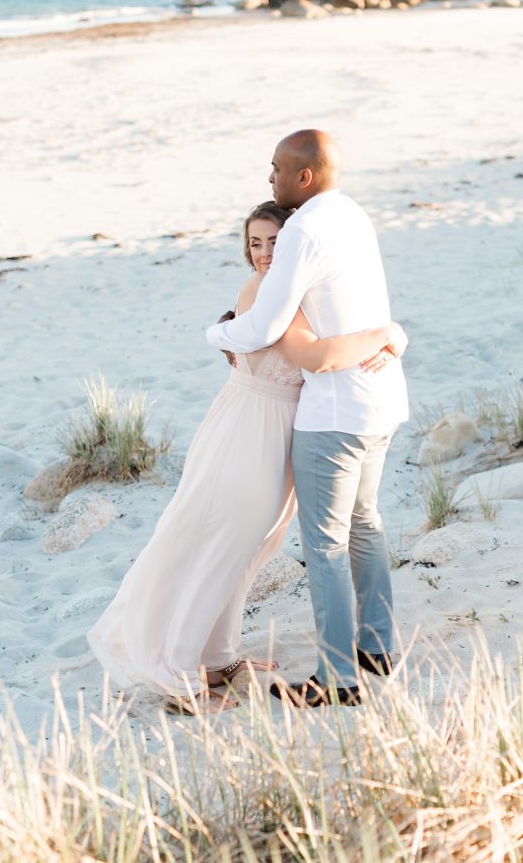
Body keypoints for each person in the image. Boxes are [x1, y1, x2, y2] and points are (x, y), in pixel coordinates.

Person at [88, 200, 405, 715]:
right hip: (247, 428)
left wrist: (395, 333)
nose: (263, 254)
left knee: (248, 549)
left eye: (274, 243)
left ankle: (218, 657)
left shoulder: (300, 291)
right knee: (222, 548)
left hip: (279, 431)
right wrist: (389, 334)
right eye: (255, 243)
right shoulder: (266, 293)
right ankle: (184, 680)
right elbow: (314, 355)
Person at [206, 131, 409, 708]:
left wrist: (216, 332)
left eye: (275, 170)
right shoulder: (353, 214)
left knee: (324, 545)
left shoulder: (303, 227)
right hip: (383, 399)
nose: (268, 179)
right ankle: (377, 647)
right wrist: (394, 335)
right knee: (366, 523)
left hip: (336, 412)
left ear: (303, 177)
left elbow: (266, 323)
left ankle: (339, 678)